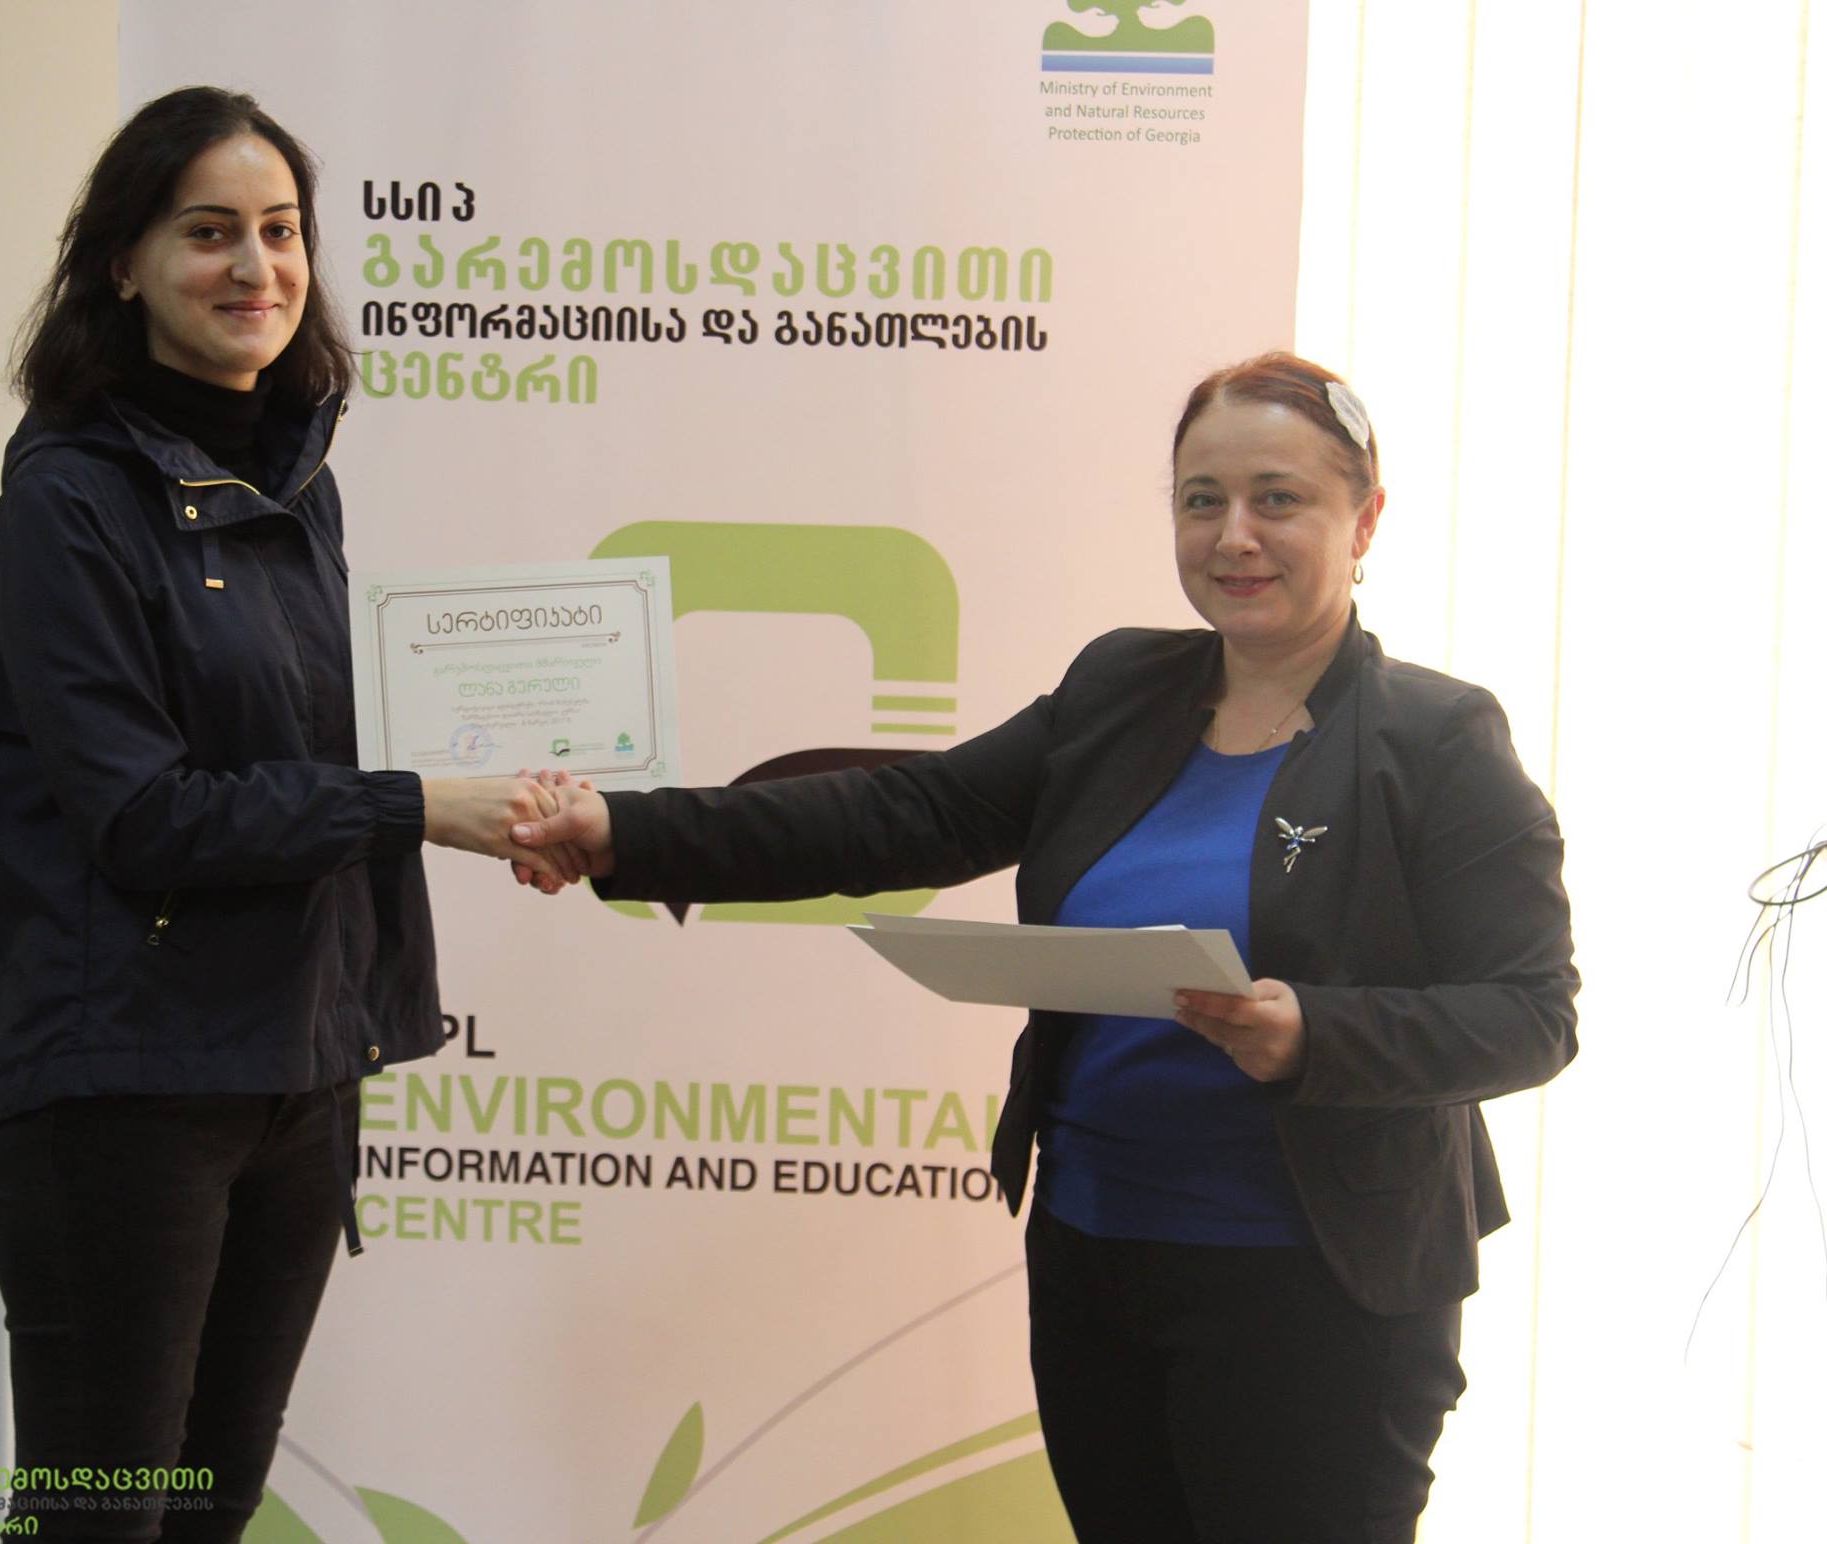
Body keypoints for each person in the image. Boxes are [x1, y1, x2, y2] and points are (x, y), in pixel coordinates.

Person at [510, 352, 1578, 1543]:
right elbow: (902, 813)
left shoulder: (1436, 737)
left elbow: (1531, 1012)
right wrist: (623, 831)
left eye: (1276, 499)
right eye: (1201, 499)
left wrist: (1310, 1033)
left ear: (1362, 519)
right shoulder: (1119, 687)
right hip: (1094, 1258)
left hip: (1318, 1288)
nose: (1232, 535)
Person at [0, 87, 562, 1541]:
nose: (256, 268)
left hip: (295, 1062)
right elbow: (146, 817)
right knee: (102, 1516)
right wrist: (420, 804)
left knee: (208, 1508)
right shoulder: (67, 502)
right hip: (122, 1084)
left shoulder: (293, 479)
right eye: (209, 232)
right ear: (123, 262)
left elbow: (296, 753)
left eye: (281, 232)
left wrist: (506, 781)